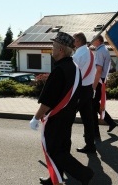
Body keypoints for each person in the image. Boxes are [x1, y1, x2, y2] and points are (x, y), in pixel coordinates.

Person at [29, 32, 94, 185]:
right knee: (63, 148)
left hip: (57, 118)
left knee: (54, 150)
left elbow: (47, 101)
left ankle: (84, 174)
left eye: (53, 46)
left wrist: (35, 118)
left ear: (60, 50)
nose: (51, 49)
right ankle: (54, 178)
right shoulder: (74, 67)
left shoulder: (59, 70)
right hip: (68, 115)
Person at [72, 32, 96, 154]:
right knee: (88, 119)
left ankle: (62, 146)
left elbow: (73, 75)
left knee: (67, 116)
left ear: (79, 41)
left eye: (74, 40)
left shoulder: (78, 55)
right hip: (88, 89)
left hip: (80, 90)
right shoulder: (90, 52)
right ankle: (90, 145)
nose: (72, 42)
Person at [92, 34, 118, 138]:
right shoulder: (105, 50)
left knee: (92, 107)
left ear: (98, 40)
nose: (92, 41)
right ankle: (111, 122)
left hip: (98, 82)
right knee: (95, 106)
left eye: (93, 39)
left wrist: (93, 86)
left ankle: (95, 133)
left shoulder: (100, 51)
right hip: (102, 81)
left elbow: (98, 70)